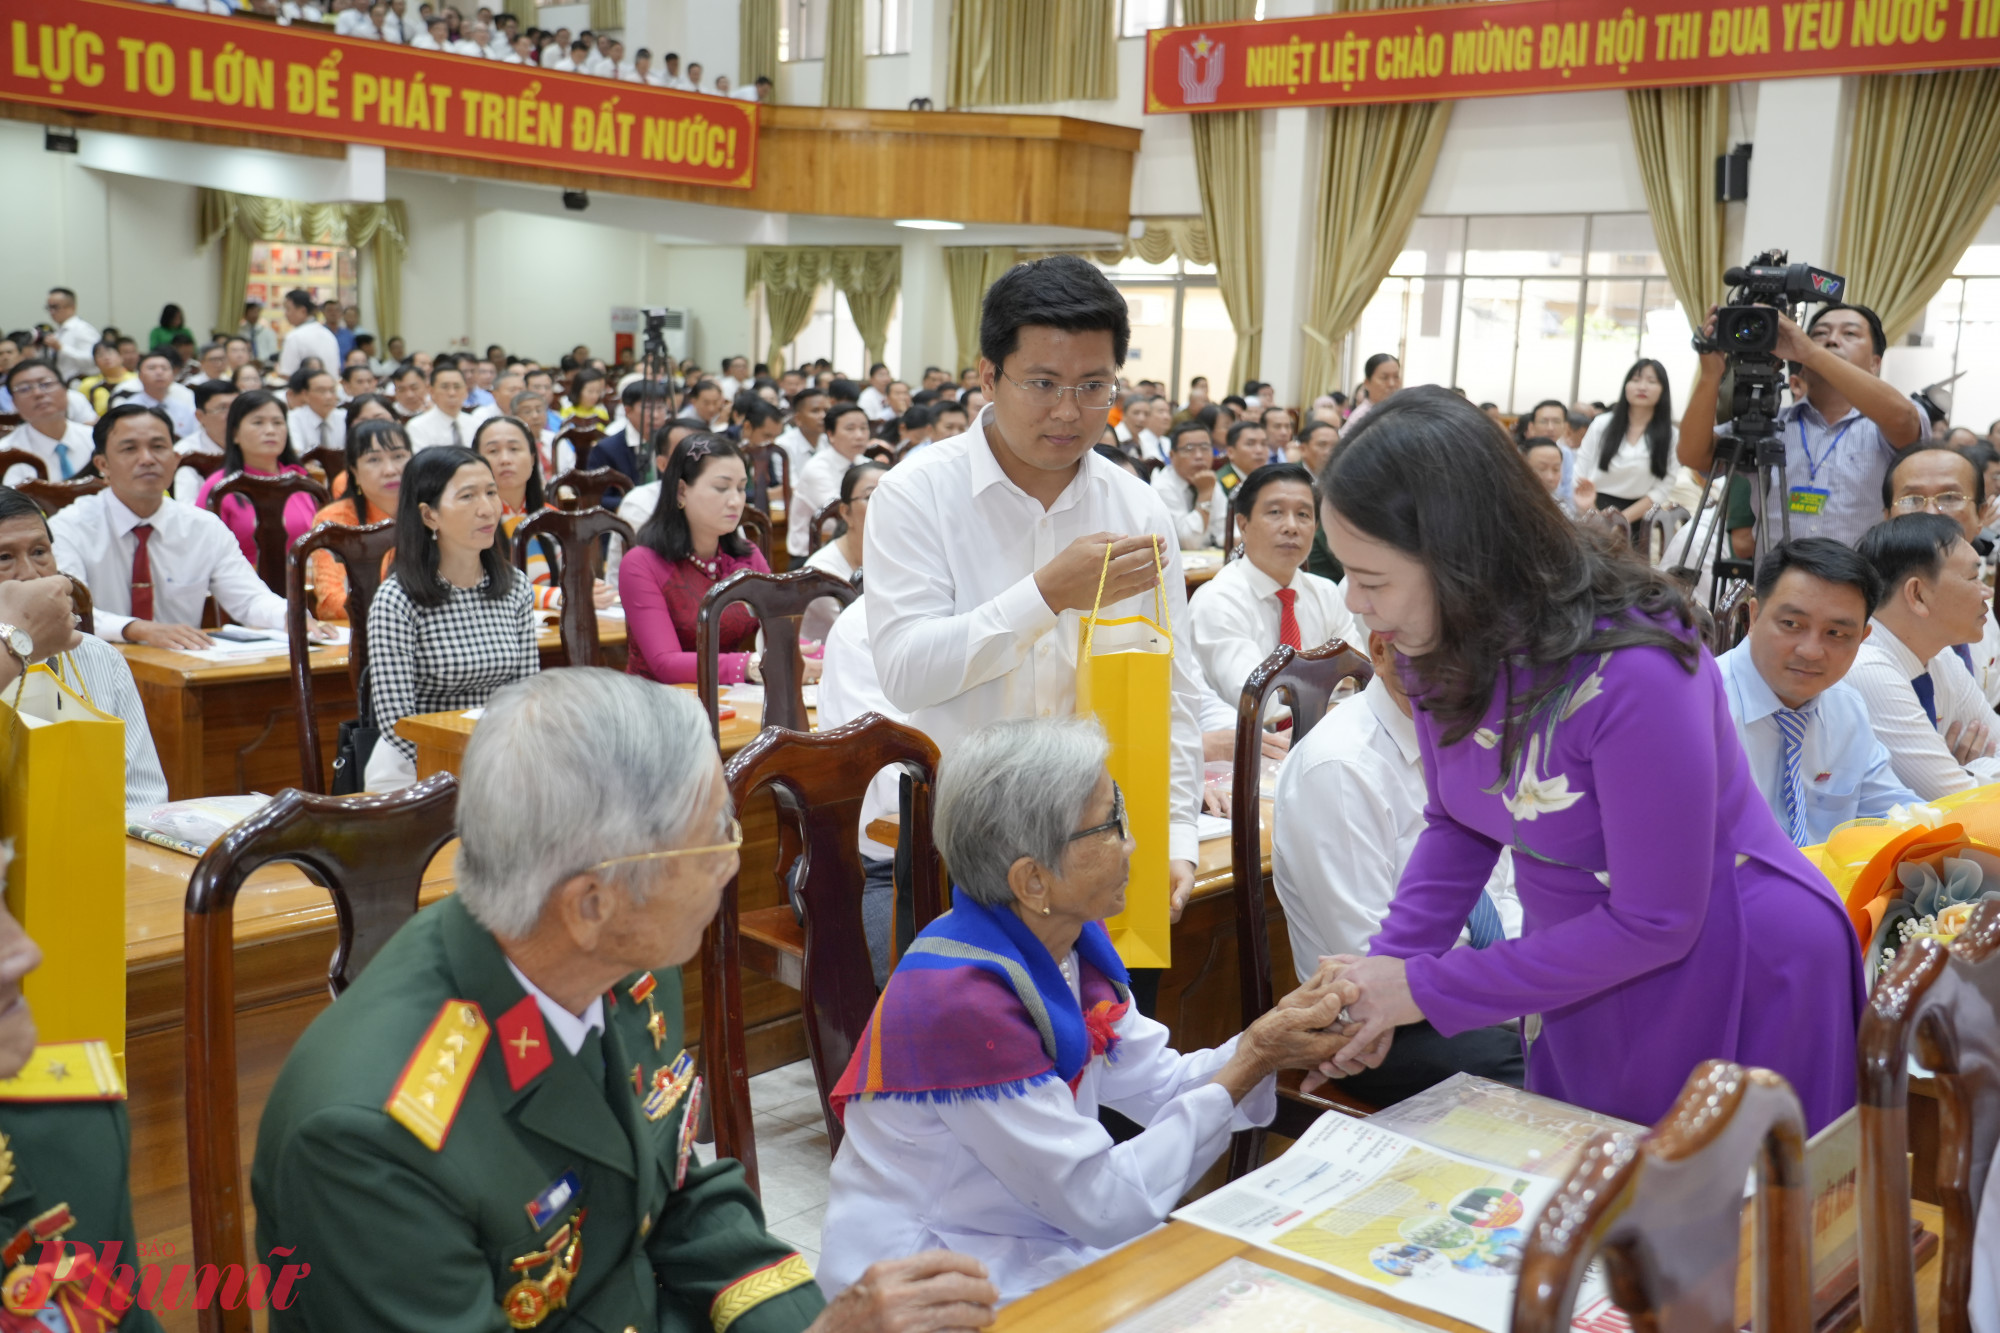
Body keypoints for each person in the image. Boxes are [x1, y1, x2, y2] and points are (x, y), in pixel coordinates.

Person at [254, 667, 998, 1332]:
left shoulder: (624, 964)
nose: (732, 863)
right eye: (710, 840)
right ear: (591, 903)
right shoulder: (367, 1140)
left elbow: (681, 1189)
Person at [1314, 387, 1863, 1134]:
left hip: (1734, 953)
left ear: (1459, 558)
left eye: (1372, 579)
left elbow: (1659, 918)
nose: (1354, 602)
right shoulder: (1436, 638)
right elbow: (1460, 821)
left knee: (1714, 1193)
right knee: (1583, 1179)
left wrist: (1422, 987)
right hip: (1576, 962)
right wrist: (1382, 983)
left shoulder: (1636, 665)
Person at [820, 716, 1356, 1300]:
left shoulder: (1066, 945)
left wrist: (1277, 1041)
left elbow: (1161, 1084)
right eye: (1109, 826)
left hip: (1028, 1229)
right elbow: (1102, 1203)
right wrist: (1252, 1058)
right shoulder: (963, 1003)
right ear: (1033, 881)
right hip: (932, 1272)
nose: (1131, 843)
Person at [866, 255, 1209, 930]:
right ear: (989, 376)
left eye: (1093, 386)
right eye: (1043, 383)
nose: (1068, 411)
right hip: (964, 846)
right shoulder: (917, 495)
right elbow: (907, 671)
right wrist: (1045, 596)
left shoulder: (1138, 510)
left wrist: (1178, 834)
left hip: (1105, 843)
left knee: (1117, 1004)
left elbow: (1174, 691)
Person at [1271, 627, 1523, 1106]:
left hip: (1475, 986)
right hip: (1382, 1025)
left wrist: (1534, 985)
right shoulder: (1340, 768)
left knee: (1607, 1035)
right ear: (1380, 651)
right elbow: (1372, 965)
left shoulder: (1474, 737)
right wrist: (1521, 989)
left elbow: (1507, 894)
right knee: (1546, 1072)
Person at [51, 405, 306, 649]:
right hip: (93, 668)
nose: (147, 459)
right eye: (129, 449)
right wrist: (136, 629)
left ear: (175, 459)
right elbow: (69, 611)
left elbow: (249, 599)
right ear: (103, 465)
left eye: (158, 447)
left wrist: (289, 615)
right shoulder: (69, 527)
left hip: (181, 666)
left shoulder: (203, 527)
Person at [1717, 539, 1919, 845]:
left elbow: (1898, 816)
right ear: (1753, 616)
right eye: (1791, 624)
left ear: (1862, 638)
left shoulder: (1846, 708)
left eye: (1836, 633)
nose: (1811, 651)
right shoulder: (1701, 706)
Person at [1679, 302, 1926, 548]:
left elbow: (1904, 419)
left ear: (1875, 363)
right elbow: (1693, 455)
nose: (1831, 340)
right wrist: (1711, 373)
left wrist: (1811, 352)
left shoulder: (1883, 425)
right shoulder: (1769, 424)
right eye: (1820, 333)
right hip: (1777, 574)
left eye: (1850, 333)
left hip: (1861, 573)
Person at [364, 446, 538, 791]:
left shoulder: (514, 586)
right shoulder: (397, 599)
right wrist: (465, 769)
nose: (487, 509)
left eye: (491, 492)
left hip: (500, 761)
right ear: (429, 516)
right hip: (418, 769)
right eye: (468, 496)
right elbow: (397, 722)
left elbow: (526, 696)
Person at [0, 486, 166, 811]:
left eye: (39, 552)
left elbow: (143, 796)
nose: (30, 574)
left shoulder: (101, 658)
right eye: (4, 557)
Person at [1848, 514, 2000, 798]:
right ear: (1917, 595)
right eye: (1972, 578)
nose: (1986, 592)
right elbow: (1953, 802)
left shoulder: (1941, 656)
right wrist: (1970, 773)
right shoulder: (1867, 668)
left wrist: (1968, 773)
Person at [620, 435, 783, 687]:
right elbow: (666, 664)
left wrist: (807, 651)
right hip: (657, 700)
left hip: (729, 695)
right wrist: (750, 665)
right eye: (721, 488)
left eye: (741, 488)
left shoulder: (747, 555)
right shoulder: (641, 563)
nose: (735, 501)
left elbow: (778, 629)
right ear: (681, 491)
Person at [1186, 463, 1357, 703]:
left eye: (1303, 515)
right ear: (1243, 525)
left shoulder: (1326, 592)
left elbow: (1360, 679)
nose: (1291, 527)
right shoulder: (1217, 601)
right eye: (1275, 512)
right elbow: (1260, 703)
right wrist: (1333, 687)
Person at [476, 415, 615, 612]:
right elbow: (481, 585)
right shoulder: (470, 521)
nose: (505, 459)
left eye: (514, 449)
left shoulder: (553, 517)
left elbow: (576, 576)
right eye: (493, 451)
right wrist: (559, 596)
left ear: (533, 458)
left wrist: (588, 588)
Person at [197, 390, 322, 567]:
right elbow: (203, 554)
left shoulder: (301, 480)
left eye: (277, 423)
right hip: (239, 581)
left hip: (304, 579)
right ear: (235, 434)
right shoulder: (219, 488)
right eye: (258, 422)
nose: (270, 431)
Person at [309, 418, 411, 621]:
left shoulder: (432, 512)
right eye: (374, 460)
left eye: (398, 456)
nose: (390, 470)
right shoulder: (335, 521)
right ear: (354, 472)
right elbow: (331, 602)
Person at [1580, 359, 1678, 523]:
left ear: (1663, 390)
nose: (1642, 387)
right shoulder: (1601, 424)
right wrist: (1598, 519)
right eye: (1635, 380)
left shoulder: (1671, 435)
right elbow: (1580, 473)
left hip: (1639, 516)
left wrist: (1620, 522)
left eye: (1651, 381)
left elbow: (1664, 487)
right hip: (1593, 509)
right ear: (1626, 386)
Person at [801, 460, 884, 644]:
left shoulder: (903, 555)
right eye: (871, 497)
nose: (885, 506)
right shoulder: (823, 572)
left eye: (891, 496)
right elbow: (862, 635)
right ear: (845, 512)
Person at [788, 402, 870, 558]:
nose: (859, 435)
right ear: (830, 435)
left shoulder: (865, 464)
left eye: (864, 428)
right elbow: (840, 518)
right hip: (812, 554)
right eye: (850, 429)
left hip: (856, 549)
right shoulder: (816, 469)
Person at [2, 359, 96, 482]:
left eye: (46, 384)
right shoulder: (5, 455)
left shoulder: (95, 439)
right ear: (14, 403)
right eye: (24, 389)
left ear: (65, 390)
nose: (38, 393)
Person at [175, 379, 235, 501]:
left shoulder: (254, 445)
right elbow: (186, 505)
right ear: (200, 416)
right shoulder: (186, 454)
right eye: (222, 408)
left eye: (236, 407)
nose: (233, 415)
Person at [405, 362, 485, 452]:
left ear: (466, 391)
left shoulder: (476, 424)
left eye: (457, 387)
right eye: (445, 387)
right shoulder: (417, 426)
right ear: (431, 391)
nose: (452, 393)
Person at [276, 289, 341, 380]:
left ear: (303, 311)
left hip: (307, 388)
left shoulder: (294, 337)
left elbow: (286, 375)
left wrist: (278, 371)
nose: (286, 314)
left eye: (288, 309)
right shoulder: (328, 334)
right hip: (331, 386)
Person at [39, 287, 99, 382]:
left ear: (72, 307)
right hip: (60, 382)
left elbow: (93, 360)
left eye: (55, 307)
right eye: (49, 307)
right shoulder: (59, 331)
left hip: (80, 383)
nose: (51, 312)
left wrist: (62, 348)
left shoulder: (83, 329)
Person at [286, 366, 347, 458]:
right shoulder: (293, 418)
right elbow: (296, 453)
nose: (329, 396)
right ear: (305, 395)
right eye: (321, 391)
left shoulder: (344, 417)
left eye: (332, 390)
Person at [1338, 353, 1401, 439]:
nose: (1392, 384)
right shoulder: (1361, 417)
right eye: (1384, 378)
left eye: (1396, 377)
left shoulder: (1401, 411)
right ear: (1367, 383)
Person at [1213, 420, 1269, 501]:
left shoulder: (1268, 478)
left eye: (1264, 444)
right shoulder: (1219, 484)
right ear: (1230, 452)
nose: (1259, 450)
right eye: (1250, 444)